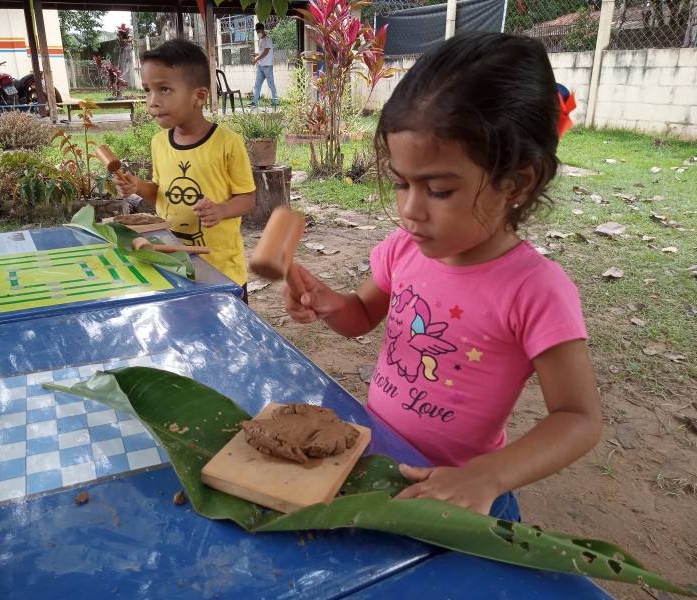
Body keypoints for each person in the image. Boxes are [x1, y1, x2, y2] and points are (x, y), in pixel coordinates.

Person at [281, 33, 601, 520]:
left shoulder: (535, 290)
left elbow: (578, 418)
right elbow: (363, 315)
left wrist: (488, 475)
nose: (410, 210)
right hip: (379, 460)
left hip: (464, 495)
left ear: (517, 181)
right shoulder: (405, 252)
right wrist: (329, 302)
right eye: (400, 183)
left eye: (440, 190)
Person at [115, 40, 256, 302]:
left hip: (219, 267)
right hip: (171, 261)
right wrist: (137, 187)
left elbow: (247, 198)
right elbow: (160, 193)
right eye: (148, 90)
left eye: (165, 89)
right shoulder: (159, 143)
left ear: (199, 96)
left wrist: (221, 210)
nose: (152, 101)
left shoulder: (227, 143)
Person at [251, 22, 278, 109]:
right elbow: (262, 52)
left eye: (259, 31)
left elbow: (266, 52)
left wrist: (256, 59)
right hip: (261, 66)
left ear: (263, 30)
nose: (258, 33)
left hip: (267, 66)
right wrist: (256, 54)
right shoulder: (261, 40)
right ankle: (254, 102)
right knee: (257, 84)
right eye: (257, 31)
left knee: (271, 84)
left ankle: (275, 101)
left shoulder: (268, 39)